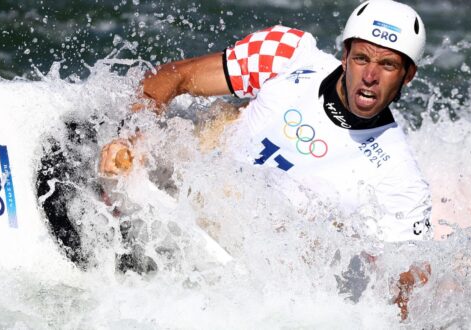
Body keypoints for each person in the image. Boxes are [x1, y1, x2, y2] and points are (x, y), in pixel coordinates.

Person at [100, 0, 432, 320]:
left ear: (408, 75)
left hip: (240, 269)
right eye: (361, 58)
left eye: (387, 65)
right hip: (188, 184)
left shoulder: (400, 180)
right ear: (345, 55)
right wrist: (129, 137)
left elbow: (404, 289)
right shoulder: (290, 55)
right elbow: (175, 78)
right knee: (203, 127)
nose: (370, 76)